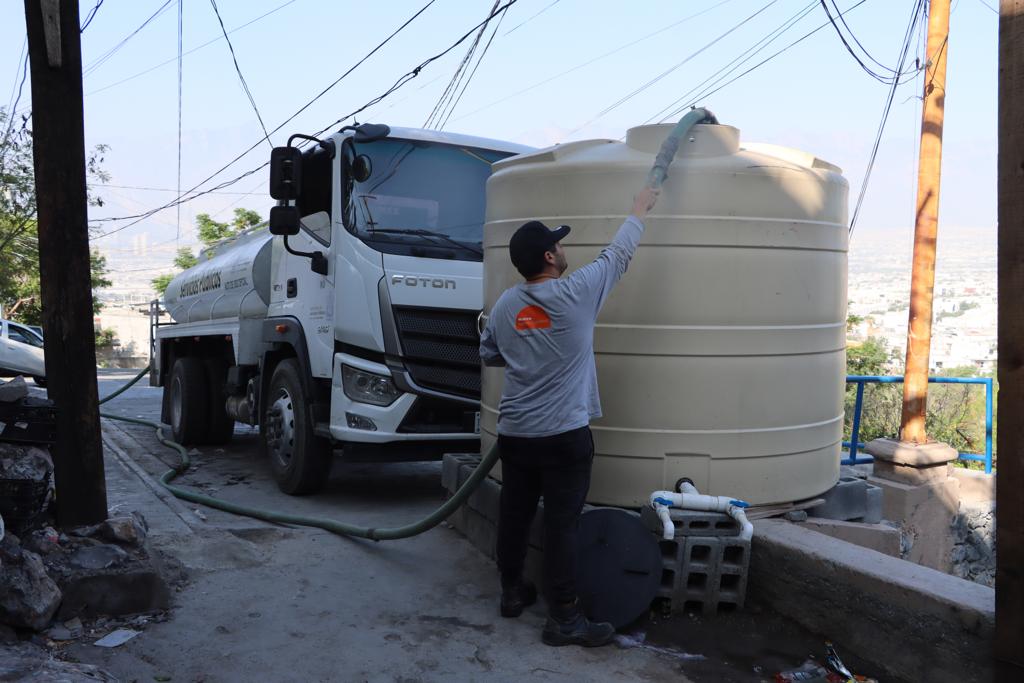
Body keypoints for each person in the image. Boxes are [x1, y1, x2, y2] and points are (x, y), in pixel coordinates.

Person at [479, 186, 660, 647]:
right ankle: (563, 618)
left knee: (516, 515)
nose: (564, 248)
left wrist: (529, 350)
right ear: (549, 257)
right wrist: (638, 209)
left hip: (516, 434)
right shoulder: (576, 293)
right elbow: (617, 255)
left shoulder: (504, 306)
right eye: (558, 243)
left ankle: (511, 592)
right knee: (561, 526)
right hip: (563, 437)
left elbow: (490, 354)